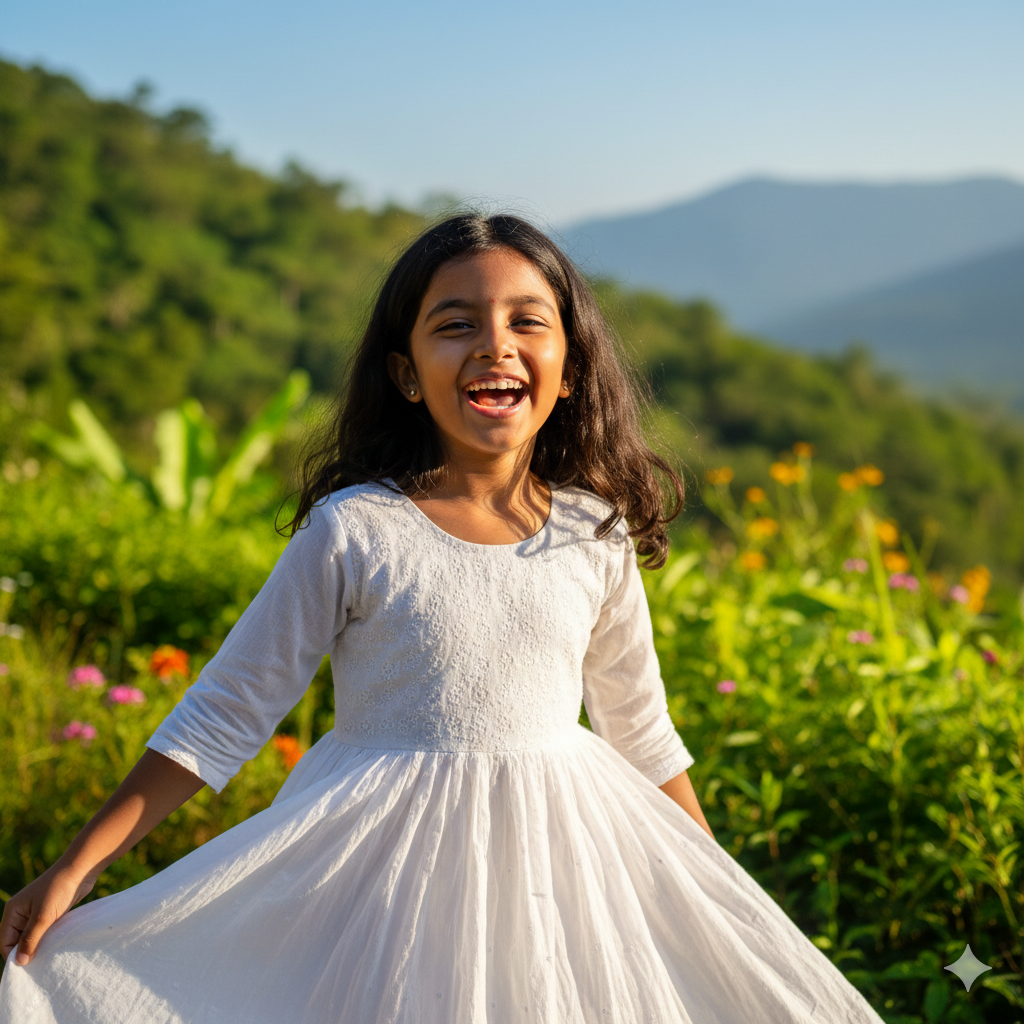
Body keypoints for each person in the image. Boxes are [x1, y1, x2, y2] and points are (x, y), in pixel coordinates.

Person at [0, 214, 884, 1023]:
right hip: (380, 877)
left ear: (569, 369)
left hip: (559, 872)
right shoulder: (355, 530)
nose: (493, 345)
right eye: (455, 324)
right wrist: (76, 869)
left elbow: (642, 733)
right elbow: (226, 711)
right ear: (407, 374)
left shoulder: (593, 534)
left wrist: (722, 900)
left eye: (526, 322)